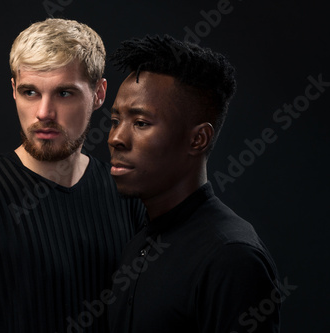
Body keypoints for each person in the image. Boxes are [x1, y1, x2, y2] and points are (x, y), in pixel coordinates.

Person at [0, 18, 146, 332]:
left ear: (99, 94)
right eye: (30, 92)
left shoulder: (127, 194)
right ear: (13, 91)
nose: (44, 113)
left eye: (64, 94)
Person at [106, 35, 281, 332]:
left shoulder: (232, 258)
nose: (115, 138)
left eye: (141, 123)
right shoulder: (139, 242)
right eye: (115, 120)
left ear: (198, 139)